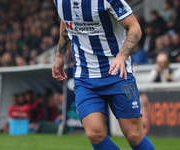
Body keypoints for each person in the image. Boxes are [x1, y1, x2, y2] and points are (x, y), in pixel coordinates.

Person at [52, 0, 155, 150]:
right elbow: (66, 20)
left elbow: (135, 28)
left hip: (118, 74)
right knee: (94, 133)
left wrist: (121, 57)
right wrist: (60, 55)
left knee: (134, 135)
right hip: (85, 77)